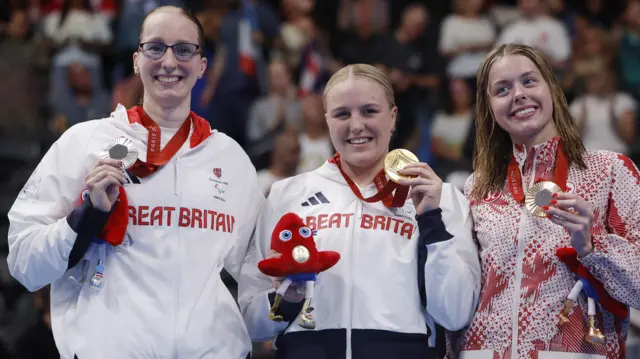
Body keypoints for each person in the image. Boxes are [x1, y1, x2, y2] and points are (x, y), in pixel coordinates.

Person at [7, 6, 265, 359]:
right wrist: (84, 218)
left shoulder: (230, 159)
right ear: (136, 60)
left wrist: (290, 301)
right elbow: (24, 263)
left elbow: (257, 276)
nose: (169, 61)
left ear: (202, 65)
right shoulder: (83, 142)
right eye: (155, 48)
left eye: (184, 49)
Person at [239, 63, 482, 359]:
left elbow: (456, 313)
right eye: (342, 114)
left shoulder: (437, 196)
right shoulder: (285, 195)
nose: (356, 125)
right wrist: (286, 301)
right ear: (327, 121)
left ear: (393, 118)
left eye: (369, 111)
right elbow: (251, 319)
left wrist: (432, 220)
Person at [459, 43, 640, 359]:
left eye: (529, 81)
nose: (518, 94)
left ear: (552, 88)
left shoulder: (611, 171)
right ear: (489, 107)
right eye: (502, 89)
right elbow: (464, 291)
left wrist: (591, 247)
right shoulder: (478, 187)